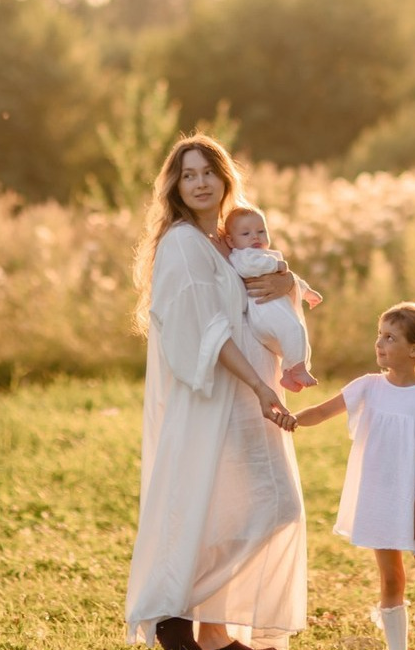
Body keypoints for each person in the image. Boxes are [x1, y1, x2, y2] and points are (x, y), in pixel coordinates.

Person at [125, 134, 312, 650]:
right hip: (218, 399)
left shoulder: (227, 241)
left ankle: (211, 631)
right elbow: (207, 330)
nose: (200, 182)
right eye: (189, 174)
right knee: (266, 507)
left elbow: (261, 296)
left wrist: (289, 280)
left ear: (225, 178)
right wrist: (257, 386)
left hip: (248, 398)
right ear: (175, 187)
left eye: (208, 171)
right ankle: (172, 611)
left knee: (237, 508)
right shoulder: (183, 242)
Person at [294, 302, 415, 650]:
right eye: (379, 335)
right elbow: (322, 411)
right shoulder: (368, 387)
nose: (379, 343)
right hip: (382, 497)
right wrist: (288, 418)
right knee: (390, 580)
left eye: (390, 337)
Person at [221, 205, 320, 392]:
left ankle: (289, 374)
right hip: (263, 313)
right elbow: (249, 268)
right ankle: (298, 369)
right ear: (231, 241)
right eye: (246, 233)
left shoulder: (265, 255)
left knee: (297, 337)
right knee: (294, 329)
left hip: (274, 316)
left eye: (261, 231)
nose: (255, 237)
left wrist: (306, 292)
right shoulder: (244, 255)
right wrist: (278, 265)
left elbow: (292, 279)